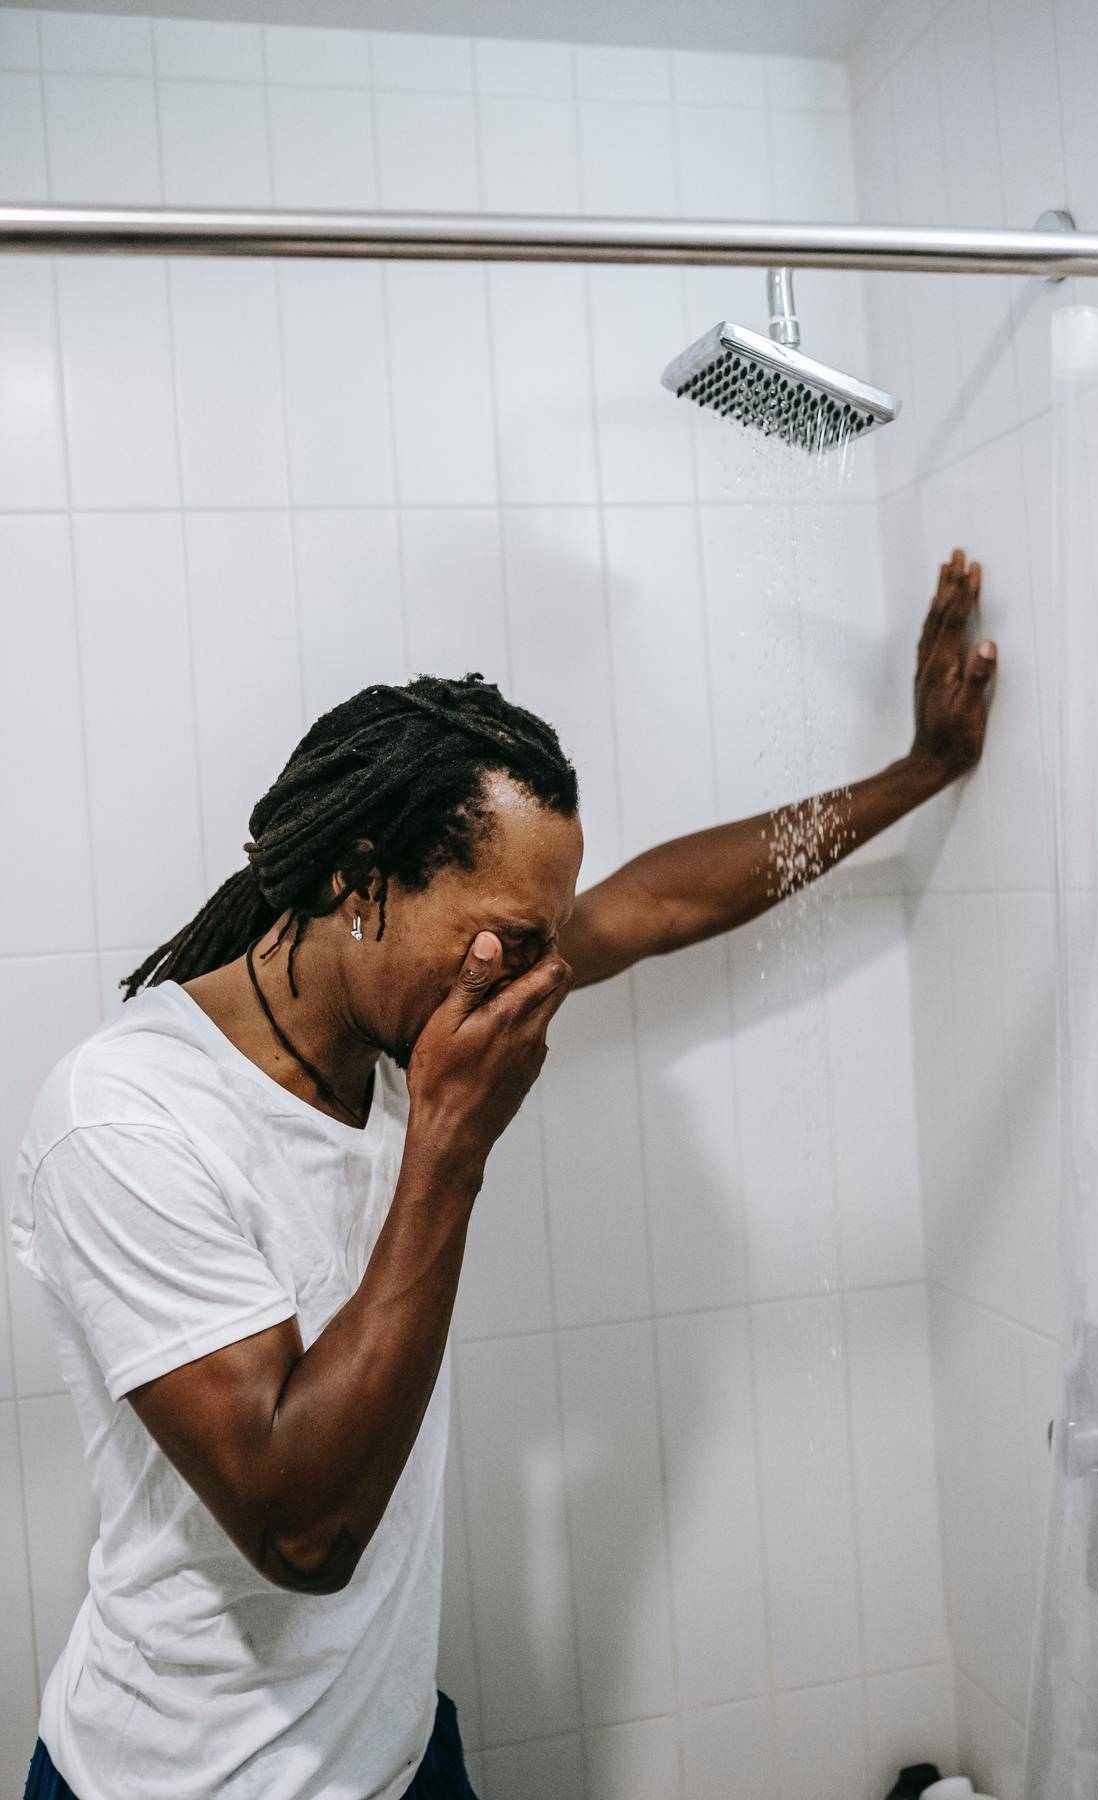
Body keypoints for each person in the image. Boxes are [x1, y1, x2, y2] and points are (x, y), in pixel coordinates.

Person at [11, 552, 994, 1800]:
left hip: (401, 1755)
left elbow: (665, 902)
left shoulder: (415, 1004)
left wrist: (922, 771)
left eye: (541, 938)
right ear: (360, 881)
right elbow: (302, 1531)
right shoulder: (126, 1117)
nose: (525, 977)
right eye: (505, 936)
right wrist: (449, 1147)